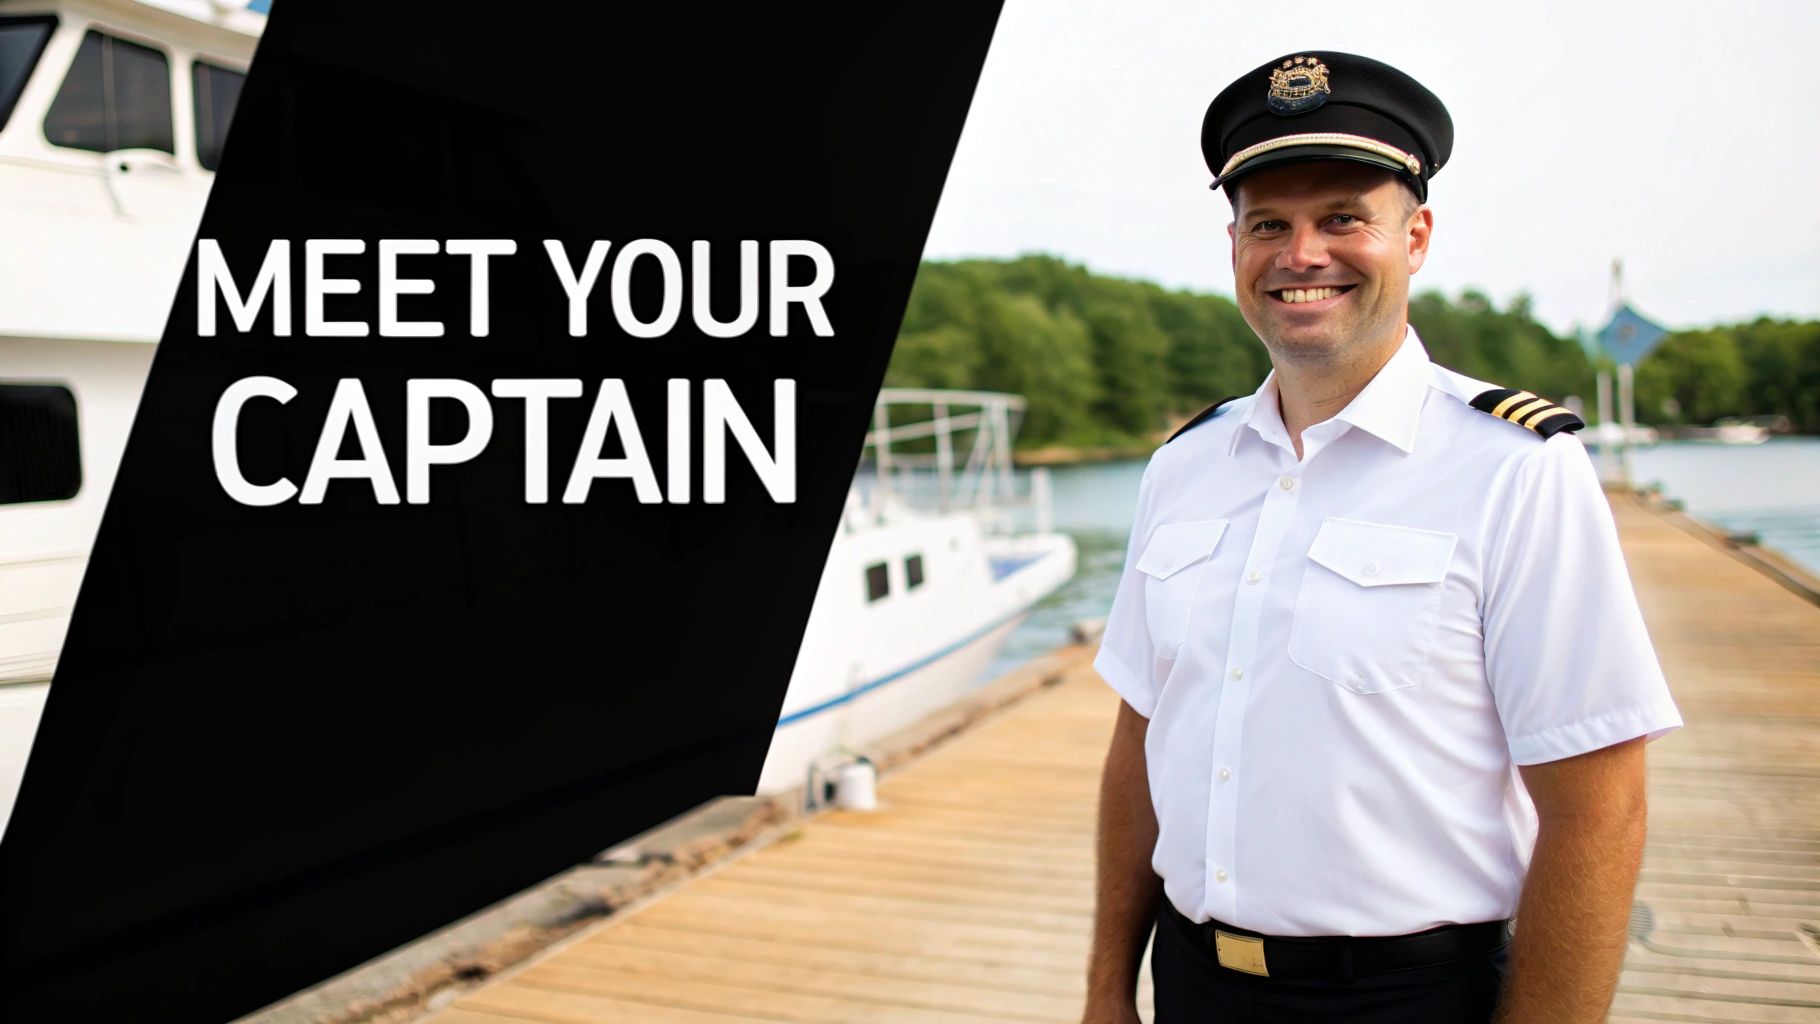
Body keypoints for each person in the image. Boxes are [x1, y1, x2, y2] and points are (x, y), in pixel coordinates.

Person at [1082, 51, 1683, 1024]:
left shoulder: (1515, 470)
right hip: (1189, 984)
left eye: (1342, 219)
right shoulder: (1181, 469)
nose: (1300, 252)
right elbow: (1140, 736)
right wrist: (1106, 988)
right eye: (1267, 223)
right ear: (1232, 243)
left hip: (1406, 999)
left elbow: (1597, 808)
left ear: (1416, 237)